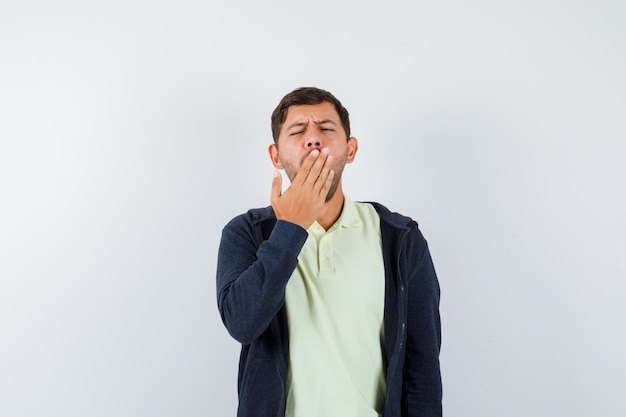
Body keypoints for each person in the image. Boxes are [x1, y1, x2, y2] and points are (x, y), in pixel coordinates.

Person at [216, 87, 442, 417]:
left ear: (350, 149)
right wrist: (291, 227)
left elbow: (422, 370)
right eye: (297, 131)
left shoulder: (401, 240)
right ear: (275, 155)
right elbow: (242, 323)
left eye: (326, 128)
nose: (313, 139)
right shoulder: (246, 233)